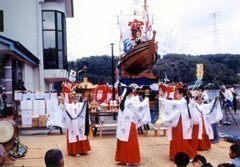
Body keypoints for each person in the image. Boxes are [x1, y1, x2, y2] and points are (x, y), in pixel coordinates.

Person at [115, 87, 151, 166]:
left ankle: (123, 159)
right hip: (129, 124)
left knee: (123, 142)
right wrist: (147, 97)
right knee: (131, 142)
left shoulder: (123, 101)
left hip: (122, 125)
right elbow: (140, 106)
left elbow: (135, 101)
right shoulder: (129, 102)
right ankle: (131, 160)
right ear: (131, 93)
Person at [160, 88, 198, 160]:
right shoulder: (184, 101)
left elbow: (173, 103)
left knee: (181, 139)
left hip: (181, 123)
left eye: (177, 93)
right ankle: (176, 154)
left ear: (181, 94)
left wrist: (163, 100)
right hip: (179, 122)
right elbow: (174, 103)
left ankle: (183, 155)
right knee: (178, 138)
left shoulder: (182, 101)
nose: (176, 95)